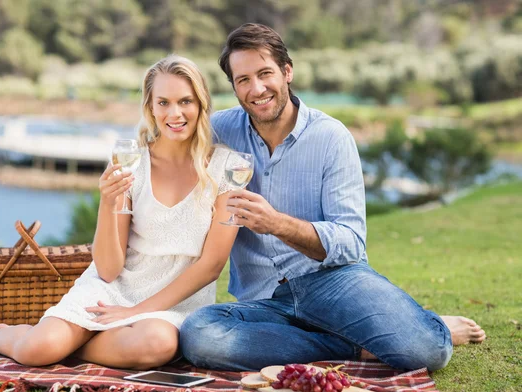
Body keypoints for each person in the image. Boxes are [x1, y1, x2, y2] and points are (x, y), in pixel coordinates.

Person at [179, 23, 486, 372]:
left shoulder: (331, 137)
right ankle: (354, 346)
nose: (257, 89)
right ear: (233, 86)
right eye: (243, 80)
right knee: (199, 335)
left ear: (287, 71)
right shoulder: (221, 130)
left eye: (265, 74)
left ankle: (420, 326)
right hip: (264, 298)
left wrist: (277, 224)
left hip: (334, 282)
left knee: (427, 351)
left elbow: (352, 241)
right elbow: (165, 155)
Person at [0, 55, 239, 369]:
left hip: (177, 299)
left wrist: (136, 312)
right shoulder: (131, 163)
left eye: (186, 101)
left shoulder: (228, 168)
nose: (175, 113)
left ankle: (69, 346)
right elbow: (107, 269)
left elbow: (212, 265)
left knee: (156, 345)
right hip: (116, 287)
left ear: (201, 103)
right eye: (164, 102)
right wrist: (108, 203)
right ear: (151, 107)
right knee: (37, 350)